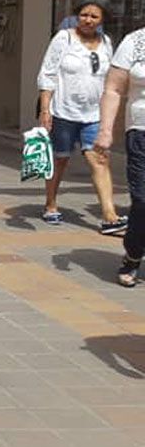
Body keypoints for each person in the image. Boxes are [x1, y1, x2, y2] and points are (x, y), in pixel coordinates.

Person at [37, 0, 125, 235]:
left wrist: (110, 117)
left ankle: (110, 215)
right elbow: (48, 74)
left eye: (94, 16)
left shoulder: (106, 42)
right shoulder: (63, 39)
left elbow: (113, 80)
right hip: (63, 112)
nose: (88, 20)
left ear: (102, 19)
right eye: (84, 14)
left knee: (99, 159)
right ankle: (51, 203)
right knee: (60, 159)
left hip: (93, 115)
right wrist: (46, 109)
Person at [95, 22, 145, 286]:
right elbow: (113, 89)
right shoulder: (135, 42)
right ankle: (134, 254)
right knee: (142, 199)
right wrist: (105, 130)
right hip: (140, 132)